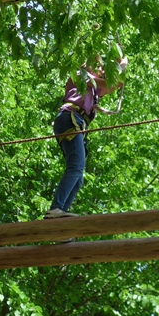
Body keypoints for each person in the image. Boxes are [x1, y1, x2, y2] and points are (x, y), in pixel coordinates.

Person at [44, 56, 128, 219]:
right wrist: (122, 64)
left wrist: (120, 65)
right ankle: (56, 208)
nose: (102, 71)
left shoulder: (93, 88)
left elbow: (116, 83)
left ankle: (59, 214)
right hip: (70, 118)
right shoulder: (82, 75)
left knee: (78, 177)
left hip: (74, 122)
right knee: (76, 167)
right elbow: (112, 81)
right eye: (99, 68)